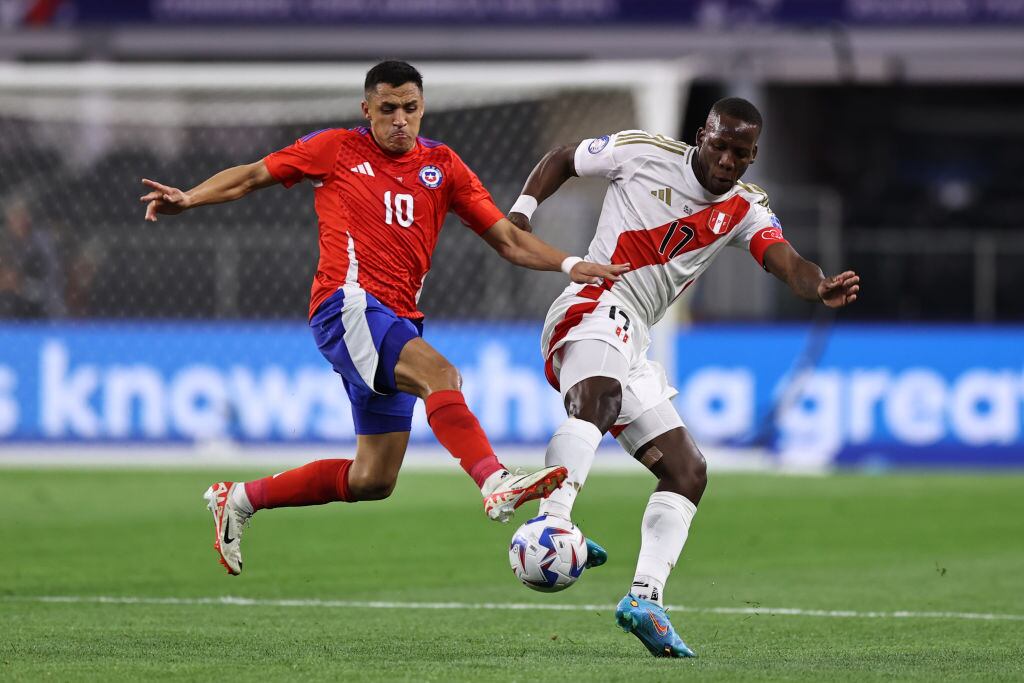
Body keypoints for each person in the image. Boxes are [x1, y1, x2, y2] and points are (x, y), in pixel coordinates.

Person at [138, 60, 628, 577]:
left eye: (410, 109)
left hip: (396, 320)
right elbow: (254, 175)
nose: (400, 119)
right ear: (366, 109)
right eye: (388, 108)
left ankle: (237, 498)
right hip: (345, 305)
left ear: (423, 109)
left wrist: (573, 264)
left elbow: (507, 238)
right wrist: (189, 198)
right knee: (440, 375)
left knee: (373, 478)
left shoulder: (444, 166)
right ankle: (494, 481)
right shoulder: (335, 148)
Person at [507, 97, 860, 657]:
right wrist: (522, 212)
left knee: (688, 470)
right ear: (703, 134)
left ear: (752, 156)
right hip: (596, 302)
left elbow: (787, 261)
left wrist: (817, 286)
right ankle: (553, 523)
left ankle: (645, 598)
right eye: (719, 145)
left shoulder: (745, 208)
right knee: (597, 398)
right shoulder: (642, 152)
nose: (725, 161)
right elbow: (563, 157)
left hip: (635, 333)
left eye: (739, 154)